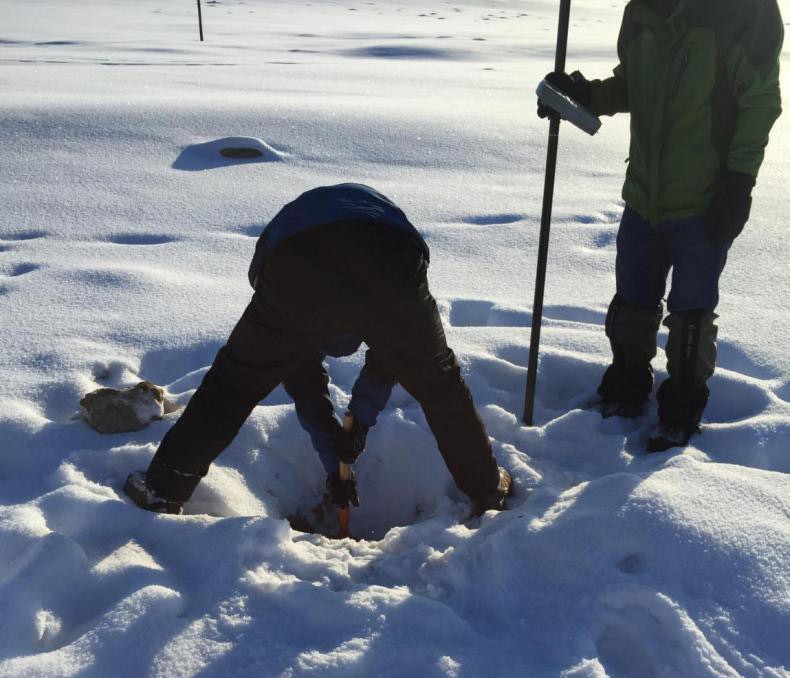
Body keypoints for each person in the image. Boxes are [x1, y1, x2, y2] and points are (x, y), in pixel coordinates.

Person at [124, 183, 511, 519]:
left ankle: (164, 489)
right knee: (438, 382)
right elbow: (365, 367)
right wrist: (339, 445)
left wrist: (355, 426)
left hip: (304, 261)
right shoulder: (370, 314)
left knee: (233, 385)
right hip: (388, 260)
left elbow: (327, 372)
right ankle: (486, 488)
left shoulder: (291, 312)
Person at [539, 0, 783, 451]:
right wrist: (585, 96)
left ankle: (681, 410)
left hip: (705, 200)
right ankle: (627, 388)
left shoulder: (743, 11)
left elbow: (761, 99)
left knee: (690, 316)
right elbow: (633, 86)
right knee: (633, 303)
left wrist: (739, 179)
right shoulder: (642, 11)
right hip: (643, 196)